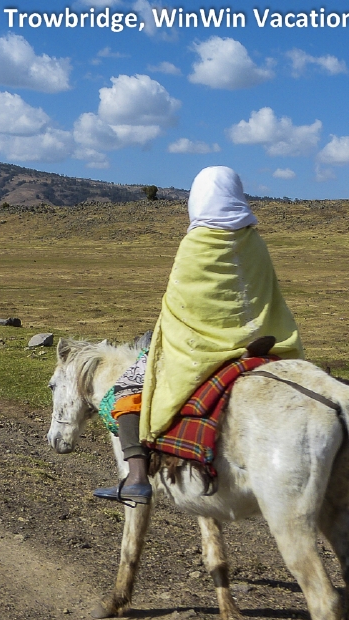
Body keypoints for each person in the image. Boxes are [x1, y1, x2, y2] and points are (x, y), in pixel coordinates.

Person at [94, 166, 304, 504]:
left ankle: (136, 478)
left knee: (126, 390)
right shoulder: (255, 243)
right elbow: (269, 298)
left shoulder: (195, 245)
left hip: (201, 351)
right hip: (260, 341)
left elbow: (178, 309)